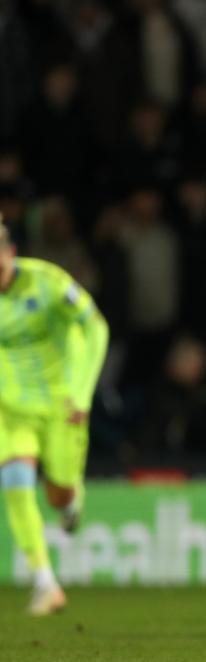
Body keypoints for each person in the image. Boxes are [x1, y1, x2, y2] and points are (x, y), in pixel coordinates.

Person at [0, 213, 109, 615]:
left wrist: (82, 393)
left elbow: (96, 327)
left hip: (63, 403)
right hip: (11, 408)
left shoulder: (48, 281)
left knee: (57, 492)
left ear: (11, 252)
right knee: (14, 481)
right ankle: (45, 582)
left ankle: (68, 503)